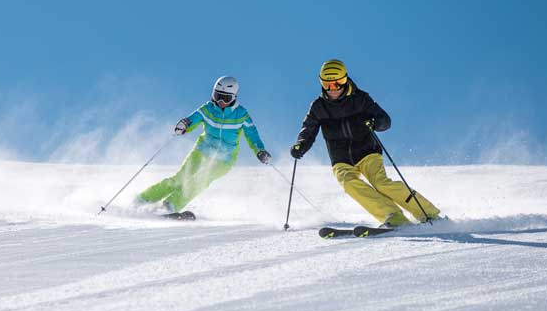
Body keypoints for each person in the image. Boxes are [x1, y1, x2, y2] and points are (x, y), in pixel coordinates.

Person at [290, 59, 441, 227]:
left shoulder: (360, 99)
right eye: (327, 85)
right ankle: (393, 215)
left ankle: (428, 213)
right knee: (349, 184)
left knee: (381, 183)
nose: (333, 89)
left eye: (337, 83)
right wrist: (300, 145)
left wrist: (375, 123)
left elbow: (385, 120)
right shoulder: (318, 107)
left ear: (345, 80)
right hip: (340, 158)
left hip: (367, 151)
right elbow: (308, 130)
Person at [137, 76, 271, 213]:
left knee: (200, 180)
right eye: (217, 96)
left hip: (224, 160)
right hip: (202, 151)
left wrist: (260, 151)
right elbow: (193, 119)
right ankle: (142, 199)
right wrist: (184, 125)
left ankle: (171, 205)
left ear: (234, 97)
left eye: (226, 98)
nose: (220, 102)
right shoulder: (208, 109)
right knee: (180, 179)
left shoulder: (241, 115)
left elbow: (252, 136)